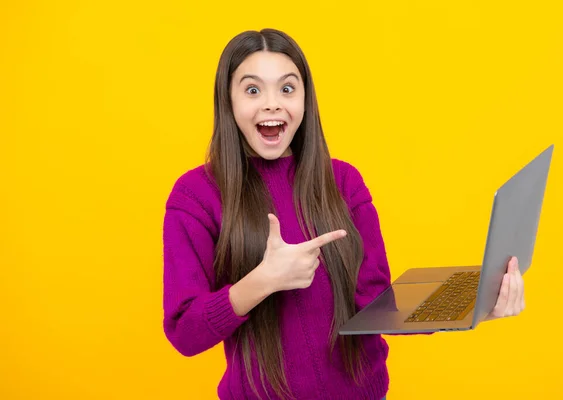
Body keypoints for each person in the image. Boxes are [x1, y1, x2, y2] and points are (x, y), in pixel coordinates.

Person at [162, 28, 525, 400]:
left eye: (287, 88)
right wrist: (264, 281)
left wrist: (475, 305)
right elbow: (185, 332)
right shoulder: (195, 196)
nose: (272, 103)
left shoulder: (343, 182)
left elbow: (376, 303)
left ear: (306, 100)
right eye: (252, 90)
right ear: (228, 100)